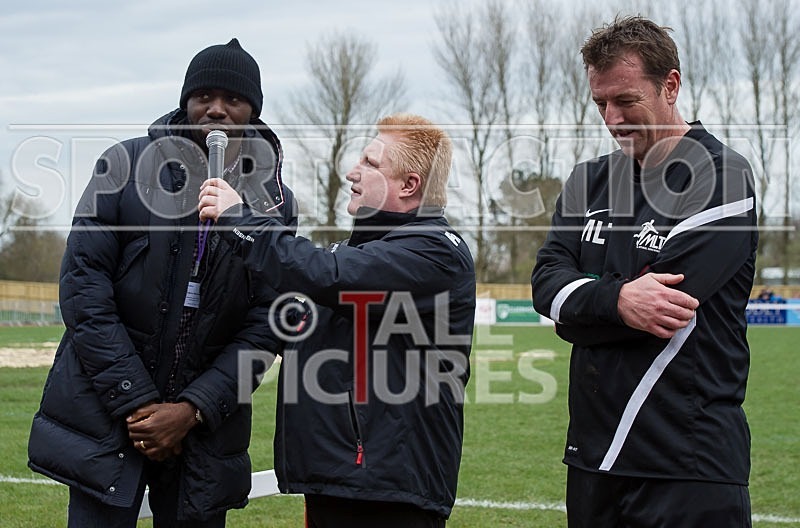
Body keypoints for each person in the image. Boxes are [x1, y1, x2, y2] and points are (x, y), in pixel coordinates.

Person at [28, 38, 296, 527]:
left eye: (232, 99)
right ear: (185, 100)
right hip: (110, 417)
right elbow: (84, 290)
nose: (216, 109)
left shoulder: (274, 203)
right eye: (204, 96)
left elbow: (267, 323)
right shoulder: (123, 167)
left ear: (253, 110)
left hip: (203, 433)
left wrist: (192, 409)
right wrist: (139, 402)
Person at [531, 16, 757, 528]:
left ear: (670, 85)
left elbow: (663, 308)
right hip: (592, 458)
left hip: (686, 461)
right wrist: (615, 302)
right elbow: (546, 284)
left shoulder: (722, 178)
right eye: (600, 104)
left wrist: (582, 306)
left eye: (626, 101)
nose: (612, 119)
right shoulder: (587, 181)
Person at [198, 113, 476, 527]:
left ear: (408, 185)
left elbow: (328, 275)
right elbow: (297, 295)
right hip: (341, 477)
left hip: (387, 491)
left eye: (370, 163)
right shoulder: (358, 250)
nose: (353, 172)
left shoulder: (434, 251)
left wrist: (241, 221)